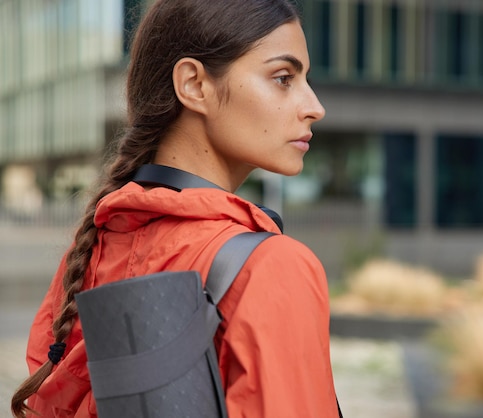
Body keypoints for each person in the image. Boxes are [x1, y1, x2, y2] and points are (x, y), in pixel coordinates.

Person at [11, 0, 340, 416]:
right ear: (194, 85)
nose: (314, 106)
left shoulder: (93, 249)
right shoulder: (272, 267)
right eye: (282, 78)